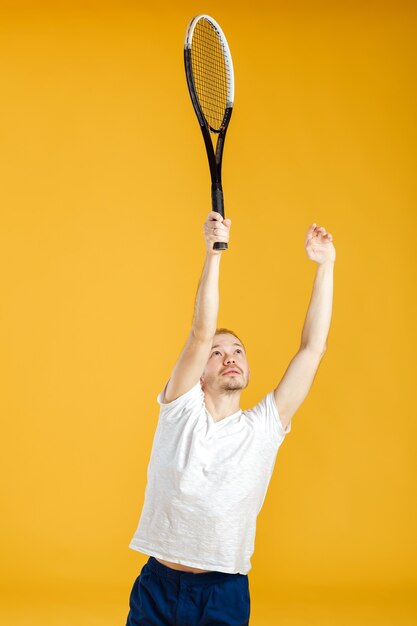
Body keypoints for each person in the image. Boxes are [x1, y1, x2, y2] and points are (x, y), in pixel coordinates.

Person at [126, 211, 336, 625]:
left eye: (238, 351)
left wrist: (326, 265)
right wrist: (213, 253)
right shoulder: (179, 409)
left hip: (223, 594)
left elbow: (313, 349)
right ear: (199, 372)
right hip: (158, 587)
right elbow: (200, 331)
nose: (230, 357)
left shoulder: (264, 427)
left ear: (248, 369)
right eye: (218, 353)